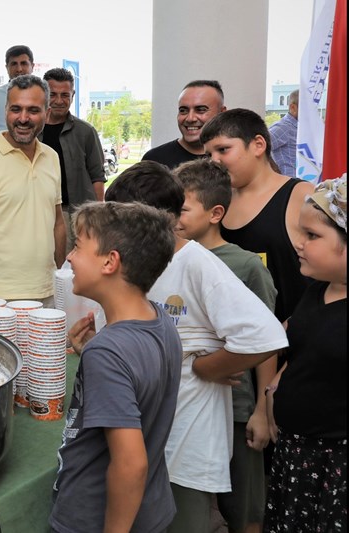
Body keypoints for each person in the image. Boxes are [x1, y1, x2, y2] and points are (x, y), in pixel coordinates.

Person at [104, 161, 288, 533]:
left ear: (154, 221)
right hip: (144, 431)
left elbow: (264, 336)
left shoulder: (197, 263)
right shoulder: (135, 263)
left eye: (121, 220)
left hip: (187, 438)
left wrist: (208, 367)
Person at [51, 201, 182, 533]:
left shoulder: (109, 352)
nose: (69, 258)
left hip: (96, 520)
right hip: (152, 512)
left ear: (110, 262)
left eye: (78, 247)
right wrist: (92, 351)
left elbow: (131, 463)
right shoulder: (159, 317)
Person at [175, 159, 278, 533]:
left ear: (215, 212)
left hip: (238, 408)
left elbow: (267, 342)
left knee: (244, 506)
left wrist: (263, 412)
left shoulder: (247, 265)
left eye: (181, 209)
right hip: (190, 407)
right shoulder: (170, 259)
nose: (172, 217)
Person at [265, 174, 346, 533]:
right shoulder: (316, 291)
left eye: (312, 236)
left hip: (335, 463)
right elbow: (300, 349)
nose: (298, 243)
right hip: (296, 453)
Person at [201, 108, 314, 323]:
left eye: (223, 149)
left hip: (290, 338)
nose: (213, 161)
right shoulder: (217, 202)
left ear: (258, 145)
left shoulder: (301, 195)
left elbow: (332, 273)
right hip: (232, 338)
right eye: (208, 154)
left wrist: (298, 324)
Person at [0, 74, 66, 306]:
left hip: (48, 289)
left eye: (33, 110)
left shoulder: (51, 157)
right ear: (5, 111)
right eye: (15, 109)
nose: (23, 118)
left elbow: (58, 223)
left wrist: (61, 280)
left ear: (47, 113)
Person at [39, 67, 105, 253]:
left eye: (65, 95)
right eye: (53, 95)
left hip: (78, 214)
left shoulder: (86, 132)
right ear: (44, 94)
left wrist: (97, 216)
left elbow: (97, 177)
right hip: (42, 213)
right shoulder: (33, 132)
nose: (59, 101)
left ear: (73, 94)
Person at [142, 80, 227, 169]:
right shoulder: (154, 160)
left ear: (222, 113)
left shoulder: (232, 161)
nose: (190, 118)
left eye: (201, 109)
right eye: (183, 110)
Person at [268, 90, 298, 178]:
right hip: (287, 186)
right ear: (293, 108)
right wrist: (274, 168)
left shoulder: (301, 128)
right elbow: (257, 148)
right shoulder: (283, 128)